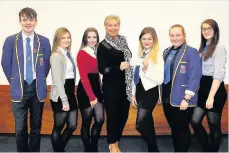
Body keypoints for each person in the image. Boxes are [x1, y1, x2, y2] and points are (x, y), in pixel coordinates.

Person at [1, 7, 51, 152]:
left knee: (36, 127)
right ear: (20, 21)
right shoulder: (11, 41)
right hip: (19, 88)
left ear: (36, 21)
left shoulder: (44, 41)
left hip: (37, 88)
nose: (27, 23)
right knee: (20, 128)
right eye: (24, 19)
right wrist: (15, 81)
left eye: (30, 19)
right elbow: (5, 63)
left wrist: (40, 79)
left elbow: (46, 64)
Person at [161, 24, 202, 152]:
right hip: (168, 97)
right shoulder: (166, 51)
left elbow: (195, 76)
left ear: (184, 35)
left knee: (182, 129)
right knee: (174, 128)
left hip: (183, 98)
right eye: (172, 35)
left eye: (178, 35)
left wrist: (187, 98)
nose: (175, 38)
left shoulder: (191, 51)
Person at [97, 15, 133, 152]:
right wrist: (118, 66)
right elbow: (101, 69)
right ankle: (112, 143)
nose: (113, 28)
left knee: (123, 115)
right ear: (105, 27)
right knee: (112, 115)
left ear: (119, 26)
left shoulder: (123, 41)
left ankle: (116, 139)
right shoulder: (103, 45)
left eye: (115, 25)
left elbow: (128, 59)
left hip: (126, 85)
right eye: (110, 25)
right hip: (111, 87)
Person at [191, 19, 227, 152]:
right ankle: (207, 148)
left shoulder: (219, 47)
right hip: (203, 89)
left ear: (215, 30)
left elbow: (218, 75)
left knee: (214, 126)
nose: (205, 31)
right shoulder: (204, 46)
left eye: (209, 28)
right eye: (203, 29)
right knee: (194, 121)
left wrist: (211, 97)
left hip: (215, 91)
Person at [131, 27, 164, 152]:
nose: (146, 41)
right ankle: (153, 149)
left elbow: (160, 79)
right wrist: (133, 94)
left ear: (154, 40)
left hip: (150, 92)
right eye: (144, 38)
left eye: (149, 38)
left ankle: (153, 148)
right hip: (140, 91)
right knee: (147, 122)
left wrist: (146, 70)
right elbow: (135, 76)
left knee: (140, 124)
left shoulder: (157, 56)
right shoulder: (140, 54)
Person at [50, 27, 78, 152]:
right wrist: (64, 100)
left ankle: (59, 147)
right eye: (63, 38)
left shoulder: (67, 54)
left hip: (70, 93)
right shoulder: (56, 55)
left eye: (68, 37)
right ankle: (59, 150)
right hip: (61, 95)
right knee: (58, 127)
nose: (67, 40)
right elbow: (58, 81)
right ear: (57, 39)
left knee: (72, 125)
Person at [76, 27, 104, 152]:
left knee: (99, 119)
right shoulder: (82, 53)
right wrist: (92, 97)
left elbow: (99, 73)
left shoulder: (97, 51)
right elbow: (84, 78)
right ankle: (88, 148)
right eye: (89, 37)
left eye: (94, 37)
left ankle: (94, 146)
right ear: (85, 39)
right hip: (85, 91)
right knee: (86, 121)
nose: (92, 40)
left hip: (97, 89)